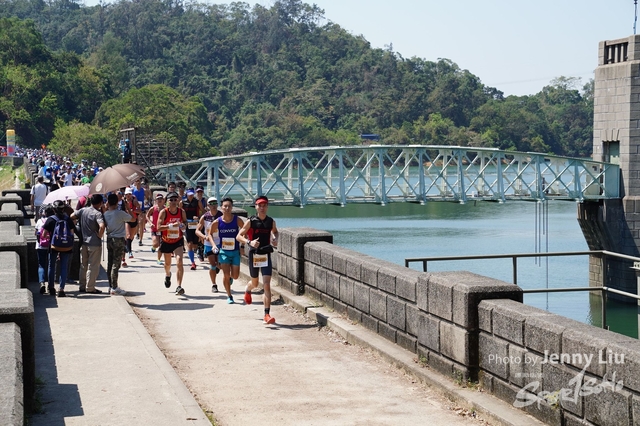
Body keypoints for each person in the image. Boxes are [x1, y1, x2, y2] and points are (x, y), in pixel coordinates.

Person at [237, 196, 279, 324]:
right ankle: (248, 289)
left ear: (267, 207)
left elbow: (275, 232)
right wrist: (249, 242)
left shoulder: (271, 221)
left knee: (266, 284)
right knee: (255, 283)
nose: (262, 208)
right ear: (256, 207)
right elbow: (239, 236)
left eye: (264, 205)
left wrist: (275, 238)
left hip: (265, 254)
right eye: (260, 205)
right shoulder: (251, 221)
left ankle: (267, 314)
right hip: (254, 255)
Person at [208, 197, 245, 304]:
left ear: (232, 207)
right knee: (226, 275)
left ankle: (230, 279)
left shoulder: (237, 220)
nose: (227, 208)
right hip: (223, 252)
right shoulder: (217, 222)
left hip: (235, 251)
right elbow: (209, 234)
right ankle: (229, 296)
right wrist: (214, 245)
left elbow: (245, 231)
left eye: (229, 206)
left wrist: (242, 246)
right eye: (225, 206)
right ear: (222, 207)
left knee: (235, 276)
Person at [72, 194, 106, 294]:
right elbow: (102, 226)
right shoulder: (97, 214)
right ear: (100, 203)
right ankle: (90, 287)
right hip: (94, 243)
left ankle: (82, 286)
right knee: (93, 266)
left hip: (84, 241)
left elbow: (71, 216)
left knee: (83, 265)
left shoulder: (83, 210)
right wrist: (100, 235)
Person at [157, 191, 187, 295]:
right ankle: (168, 274)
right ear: (167, 202)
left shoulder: (181, 211)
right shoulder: (164, 212)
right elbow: (158, 227)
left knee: (179, 261)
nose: (174, 201)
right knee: (167, 264)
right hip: (166, 241)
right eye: (171, 200)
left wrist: (183, 226)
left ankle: (179, 286)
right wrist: (170, 226)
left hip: (178, 240)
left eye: (175, 199)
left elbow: (185, 222)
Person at [44, 200, 76, 297]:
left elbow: (44, 235)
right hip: (66, 246)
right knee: (64, 266)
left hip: (54, 245)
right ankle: (61, 288)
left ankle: (51, 287)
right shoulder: (68, 219)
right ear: (63, 209)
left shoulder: (50, 219)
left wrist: (52, 237)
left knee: (51, 266)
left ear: (54, 209)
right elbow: (72, 233)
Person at [103, 193, 132, 295]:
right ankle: (114, 287)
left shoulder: (105, 214)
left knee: (110, 263)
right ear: (117, 202)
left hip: (109, 238)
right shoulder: (120, 213)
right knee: (116, 264)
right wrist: (128, 208)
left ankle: (111, 286)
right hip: (118, 239)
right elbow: (132, 218)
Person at [197, 197, 222, 292]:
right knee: (212, 264)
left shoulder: (221, 216)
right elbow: (197, 230)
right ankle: (214, 284)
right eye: (211, 204)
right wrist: (204, 237)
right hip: (208, 243)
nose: (213, 205)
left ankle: (225, 273)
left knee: (221, 264)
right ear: (208, 206)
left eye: (215, 203)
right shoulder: (205, 217)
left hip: (220, 242)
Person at [35, 206, 54, 294]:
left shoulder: (39, 221)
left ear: (44, 213)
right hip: (51, 246)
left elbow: (36, 233)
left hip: (40, 246)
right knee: (51, 265)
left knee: (41, 265)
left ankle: (42, 282)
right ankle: (50, 286)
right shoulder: (53, 220)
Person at [181, 188, 201, 270]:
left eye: (192, 194)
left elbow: (203, 211)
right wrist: (182, 222)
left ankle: (199, 250)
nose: (191, 196)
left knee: (195, 245)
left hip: (195, 224)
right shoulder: (182, 202)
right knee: (190, 244)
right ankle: (193, 263)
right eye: (189, 194)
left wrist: (198, 217)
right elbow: (179, 212)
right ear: (186, 194)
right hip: (187, 224)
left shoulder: (197, 202)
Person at [146, 192, 166, 265]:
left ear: (163, 200)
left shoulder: (165, 209)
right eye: (158, 199)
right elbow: (147, 215)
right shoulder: (153, 208)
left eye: (161, 199)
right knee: (156, 244)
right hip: (155, 229)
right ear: (156, 200)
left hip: (163, 229)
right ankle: (154, 247)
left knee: (161, 245)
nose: (159, 200)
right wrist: (150, 223)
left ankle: (158, 259)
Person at [123, 187, 140, 258]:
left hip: (134, 220)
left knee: (131, 237)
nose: (128, 196)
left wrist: (133, 210)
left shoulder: (134, 201)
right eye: (127, 194)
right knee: (128, 236)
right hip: (127, 221)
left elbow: (139, 211)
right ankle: (130, 252)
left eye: (129, 194)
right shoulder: (123, 202)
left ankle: (126, 245)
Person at [131, 179, 146, 245]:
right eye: (136, 181)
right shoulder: (133, 190)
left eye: (139, 181)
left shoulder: (143, 190)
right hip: (135, 209)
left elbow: (147, 198)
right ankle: (137, 233)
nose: (138, 182)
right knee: (136, 224)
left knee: (141, 223)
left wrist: (146, 202)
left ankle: (141, 240)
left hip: (141, 209)